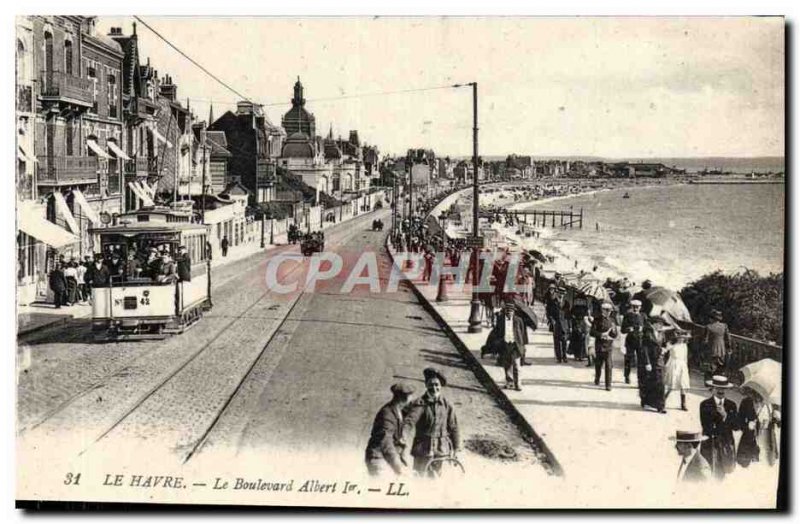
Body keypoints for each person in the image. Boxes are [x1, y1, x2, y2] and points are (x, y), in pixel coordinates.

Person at [401, 368, 461, 477]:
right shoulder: (420, 404)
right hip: (423, 448)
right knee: (419, 477)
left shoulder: (447, 405)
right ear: (426, 385)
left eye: (437, 385)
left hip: (441, 449)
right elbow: (409, 422)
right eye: (431, 385)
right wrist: (402, 440)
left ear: (440, 386)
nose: (434, 388)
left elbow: (454, 427)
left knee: (436, 478)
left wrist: (456, 449)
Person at [365, 383, 415, 477]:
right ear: (403, 398)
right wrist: (399, 467)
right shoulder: (387, 414)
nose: (411, 399)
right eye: (410, 396)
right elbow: (386, 442)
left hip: (388, 457)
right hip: (379, 459)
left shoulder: (398, 410)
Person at [699, 375, 738, 480]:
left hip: (726, 445)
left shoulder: (731, 405)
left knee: (722, 474)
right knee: (707, 473)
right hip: (710, 444)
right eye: (718, 388)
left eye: (723, 389)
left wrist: (725, 415)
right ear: (712, 389)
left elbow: (736, 426)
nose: (721, 391)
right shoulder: (705, 404)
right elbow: (706, 426)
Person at [736, 386, 780, 468]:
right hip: (749, 440)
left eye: (762, 393)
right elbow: (739, 423)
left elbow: (779, 423)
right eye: (755, 392)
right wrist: (747, 426)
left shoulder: (771, 405)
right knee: (748, 466)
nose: (758, 396)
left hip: (767, 440)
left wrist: (778, 418)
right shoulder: (746, 402)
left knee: (769, 464)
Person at [497, 301, 527, 390]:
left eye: (511, 311)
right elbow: (498, 332)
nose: (509, 313)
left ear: (514, 312)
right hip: (505, 344)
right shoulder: (501, 319)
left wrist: (523, 345)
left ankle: (518, 384)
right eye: (507, 311)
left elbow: (522, 333)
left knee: (516, 365)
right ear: (504, 311)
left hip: (515, 345)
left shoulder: (518, 320)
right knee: (507, 365)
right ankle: (509, 382)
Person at [639, 319, 667, 413]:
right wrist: (647, 363)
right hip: (650, 362)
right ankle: (647, 401)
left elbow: (664, 344)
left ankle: (661, 406)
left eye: (661, 324)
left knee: (661, 383)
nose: (660, 326)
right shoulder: (647, 333)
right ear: (653, 324)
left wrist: (664, 349)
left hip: (659, 361)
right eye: (659, 324)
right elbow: (644, 349)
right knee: (650, 383)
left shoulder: (662, 334)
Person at [591, 301, 618, 391]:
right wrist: (601, 334)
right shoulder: (597, 320)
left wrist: (613, 332)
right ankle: (597, 378)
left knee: (609, 365)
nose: (608, 312)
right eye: (606, 310)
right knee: (598, 364)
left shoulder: (612, 320)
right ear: (602, 310)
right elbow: (592, 332)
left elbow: (615, 334)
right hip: (599, 345)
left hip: (609, 345)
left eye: (610, 310)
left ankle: (608, 385)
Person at [664, 330, 691, 411]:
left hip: (682, 365)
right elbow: (666, 352)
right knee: (672, 384)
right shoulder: (672, 345)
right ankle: (663, 400)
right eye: (679, 338)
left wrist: (686, 367)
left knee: (683, 384)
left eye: (683, 338)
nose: (681, 339)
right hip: (674, 364)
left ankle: (683, 404)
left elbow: (685, 357)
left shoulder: (684, 346)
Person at [621, 299, 646, 385]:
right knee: (628, 359)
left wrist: (643, 329)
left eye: (637, 307)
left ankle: (640, 379)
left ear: (640, 307)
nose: (635, 309)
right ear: (631, 307)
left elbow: (648, 328)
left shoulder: (643, 316)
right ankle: (627, 376)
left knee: (641, 361)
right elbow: (622, 330)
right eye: (634, 307)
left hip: (640, 341)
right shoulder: (627, 316)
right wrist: (628, 329)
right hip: (630, 341)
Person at [704, 310, 732, 377]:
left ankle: (711, 382)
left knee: (711, 367)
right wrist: (729, 347)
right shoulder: (724, 326)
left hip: (712, 349)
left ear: (712, 319)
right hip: (722, 349)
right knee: (720, 367)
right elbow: (728, 338)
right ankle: (718, 381)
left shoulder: (708, 327)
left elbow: (705, 340)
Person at [551, 292, 571, 363]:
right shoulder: (554, 302)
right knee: (557, 342)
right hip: (557, 324)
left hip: (564, 325)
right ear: (557, 294)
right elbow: (550, 313)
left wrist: (569, 326)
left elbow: (568, 316)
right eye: (560, 294)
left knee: (564, 342)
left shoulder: (566, 303)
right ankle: (558, 358)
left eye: (562, 294)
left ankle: (564, 357)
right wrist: (552, 321)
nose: (561, 295)